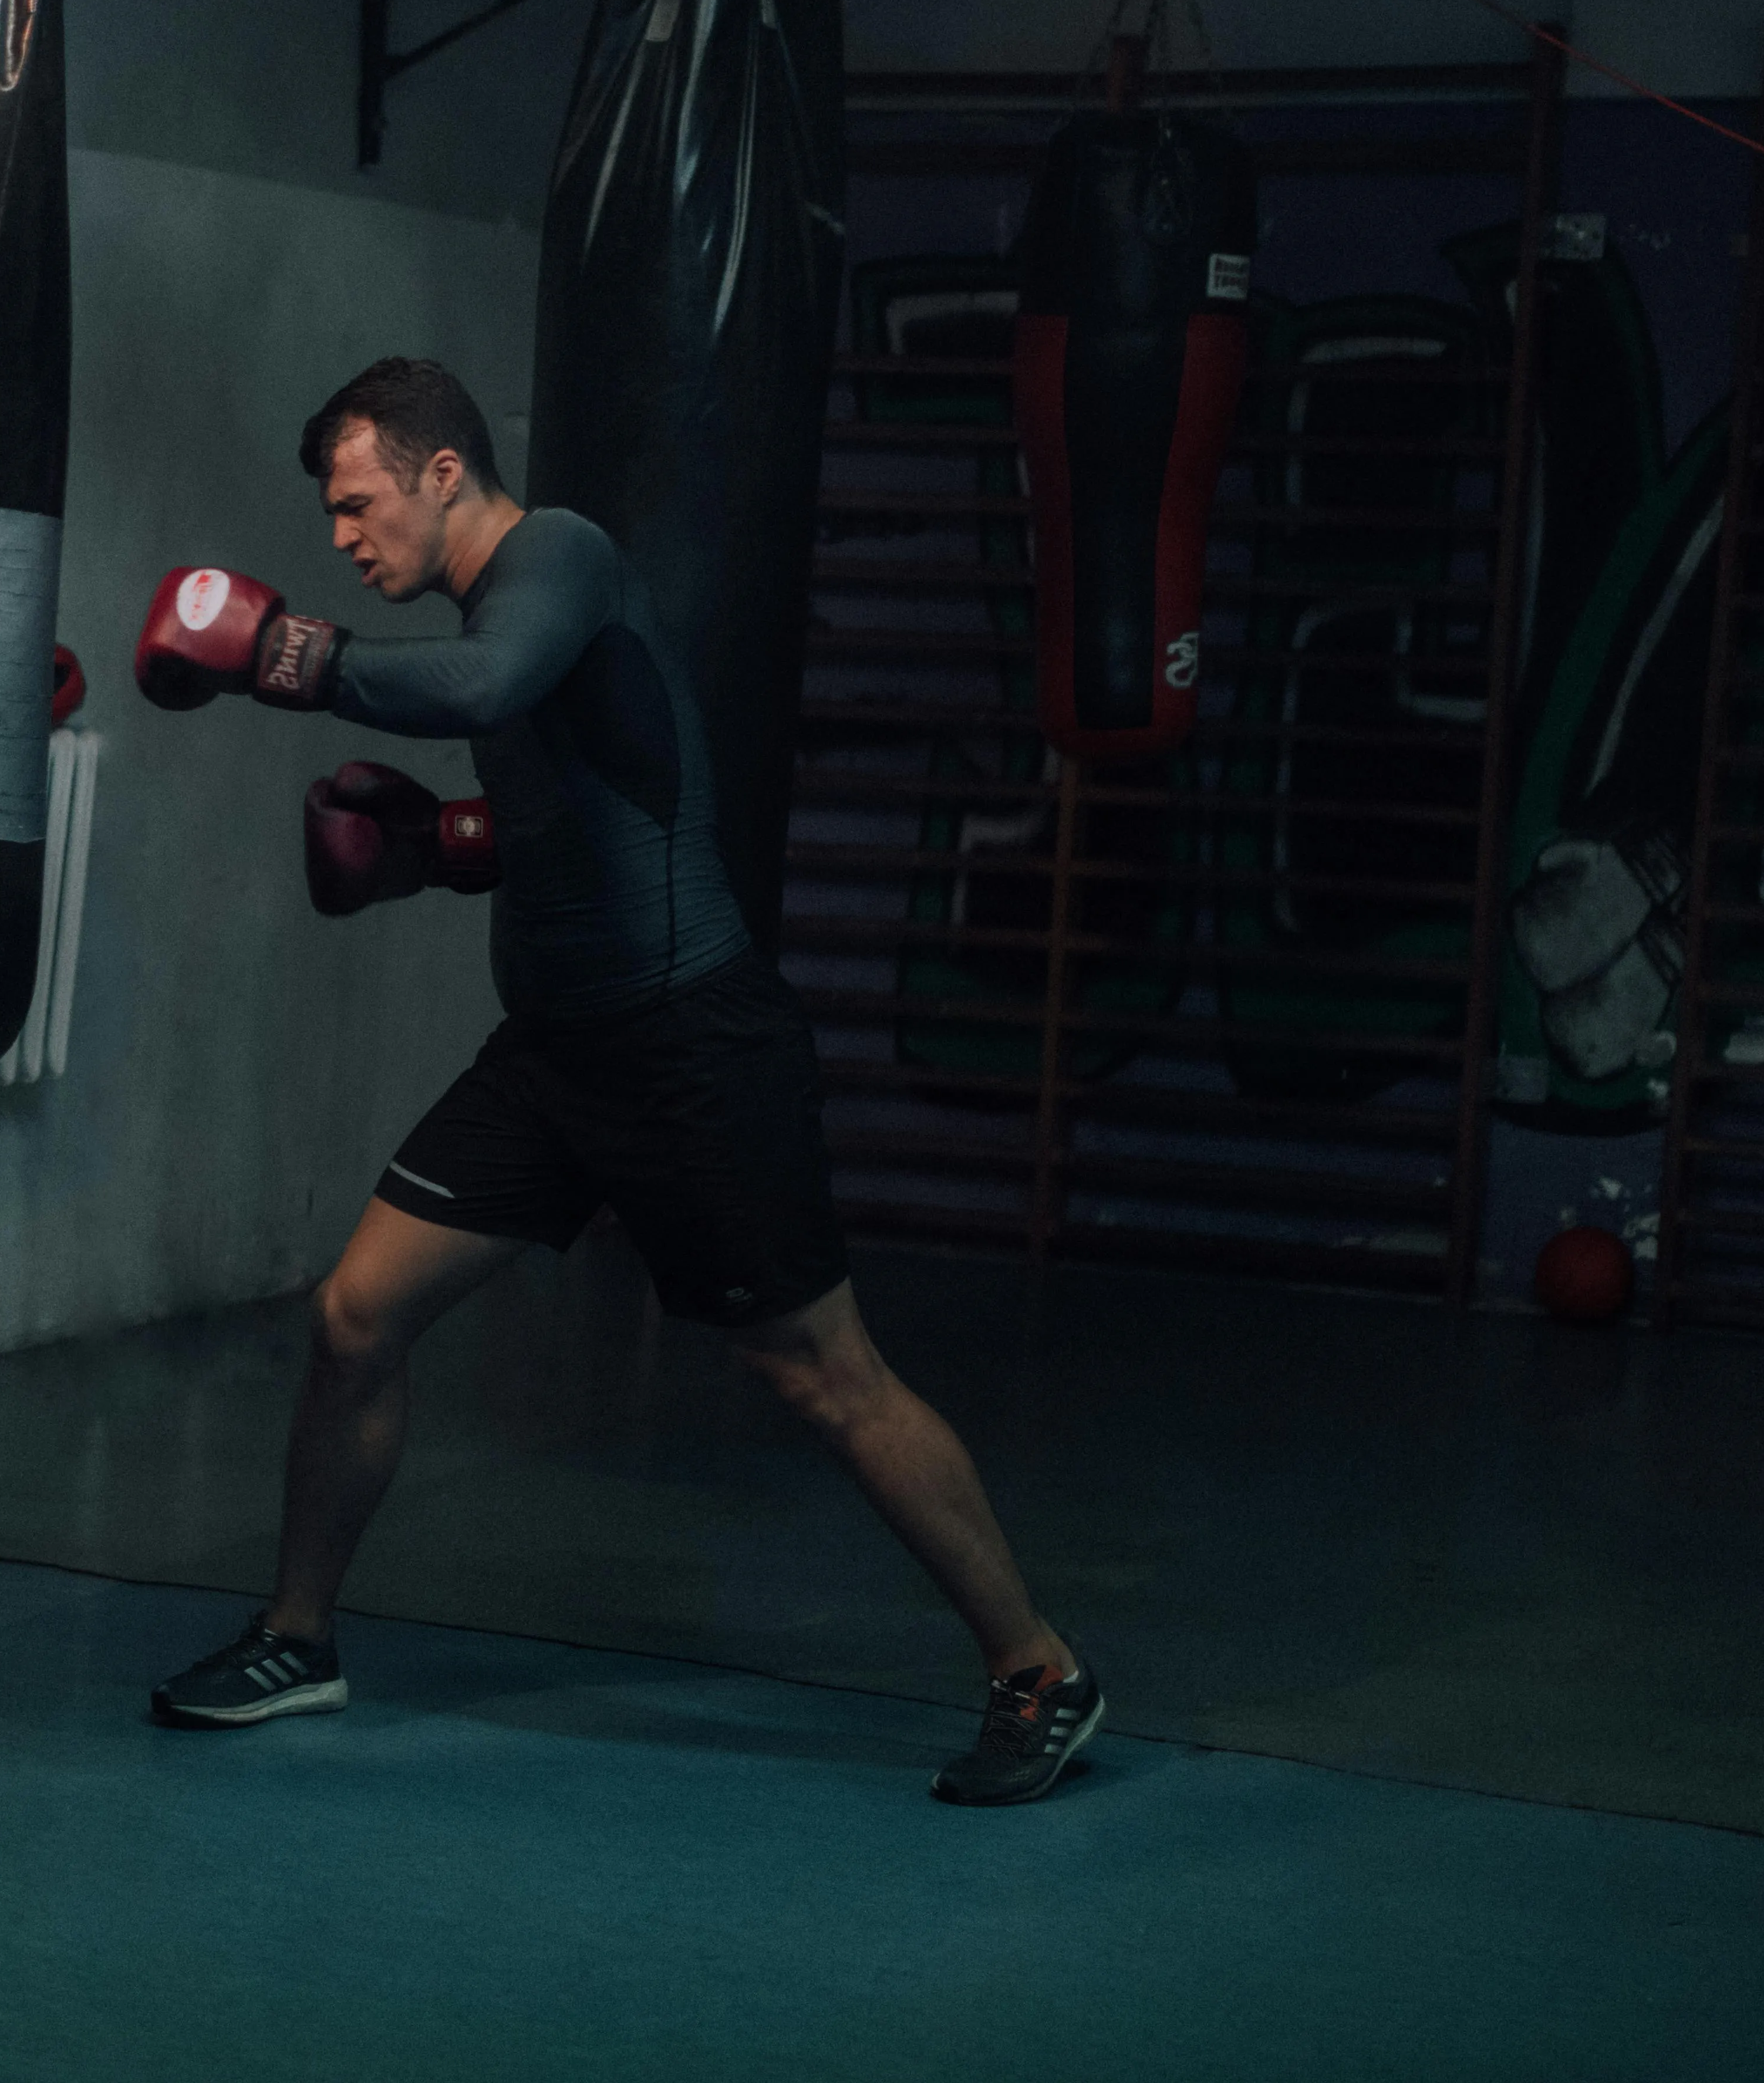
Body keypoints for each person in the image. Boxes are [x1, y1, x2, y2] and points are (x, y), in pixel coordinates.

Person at [129, 357, 1100, 1806]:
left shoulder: (558, 557)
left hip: (689, 1049)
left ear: (442, 470)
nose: (340, 536)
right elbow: (582, 801)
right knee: (352, 1316)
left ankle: (1041, 1669)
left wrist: (288, 653)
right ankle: (298, 1636)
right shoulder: (494, 608)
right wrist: (437, 850)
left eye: (355, 502)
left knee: (821, 1375)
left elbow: (487, 685)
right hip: (555, 1061)